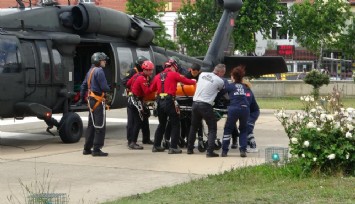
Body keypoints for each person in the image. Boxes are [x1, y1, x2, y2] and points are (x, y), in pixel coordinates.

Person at [149, 59, 196, 154]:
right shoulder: (174, 74)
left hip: (159, 102)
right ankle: (173, 147)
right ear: (172, 67)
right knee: (175, 123)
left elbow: (151, 89)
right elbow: (187, 81)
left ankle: (156, 145)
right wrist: (194, 81)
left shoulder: (158, 76)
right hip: (169, 101)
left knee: (162, 124)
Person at [187, 64, 226, 157]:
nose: (223, 75)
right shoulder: (220, 80)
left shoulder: (202, 74)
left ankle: (189, 149)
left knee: (193, 127)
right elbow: (221, 92)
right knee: (212, 128)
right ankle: (210, 151)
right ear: (220, 72)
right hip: (205, 105)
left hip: (195, 103)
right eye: (223, 73)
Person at [80, 52, 110, 156]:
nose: (105, 61)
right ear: (98, 61)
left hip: (91, 100)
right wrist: (110, 88)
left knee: (91, 125)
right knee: (100, 125)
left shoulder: (90, 71)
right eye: (103, 60)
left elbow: (83, 85)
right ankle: (97, 149)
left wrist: (81, 99)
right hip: (98, 100)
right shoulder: (99, 71)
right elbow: (104, 87)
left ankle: (87, 148)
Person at [122, 56, 153, 145]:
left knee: (144, 118)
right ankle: (131, 140)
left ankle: (146, 138)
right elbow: (125, 82)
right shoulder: (134, 72)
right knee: (133, 121)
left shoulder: (143, 75)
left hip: (141, 99)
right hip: (134, 99)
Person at [221, 66, 249, 158]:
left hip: (234, 108)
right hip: (245, 108)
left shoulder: (230, 86)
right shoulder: (245, 86)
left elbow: (221, 93)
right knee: (243, 129)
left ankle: (224, 151)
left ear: (233, 76)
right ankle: (243, 150)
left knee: (228, 129)